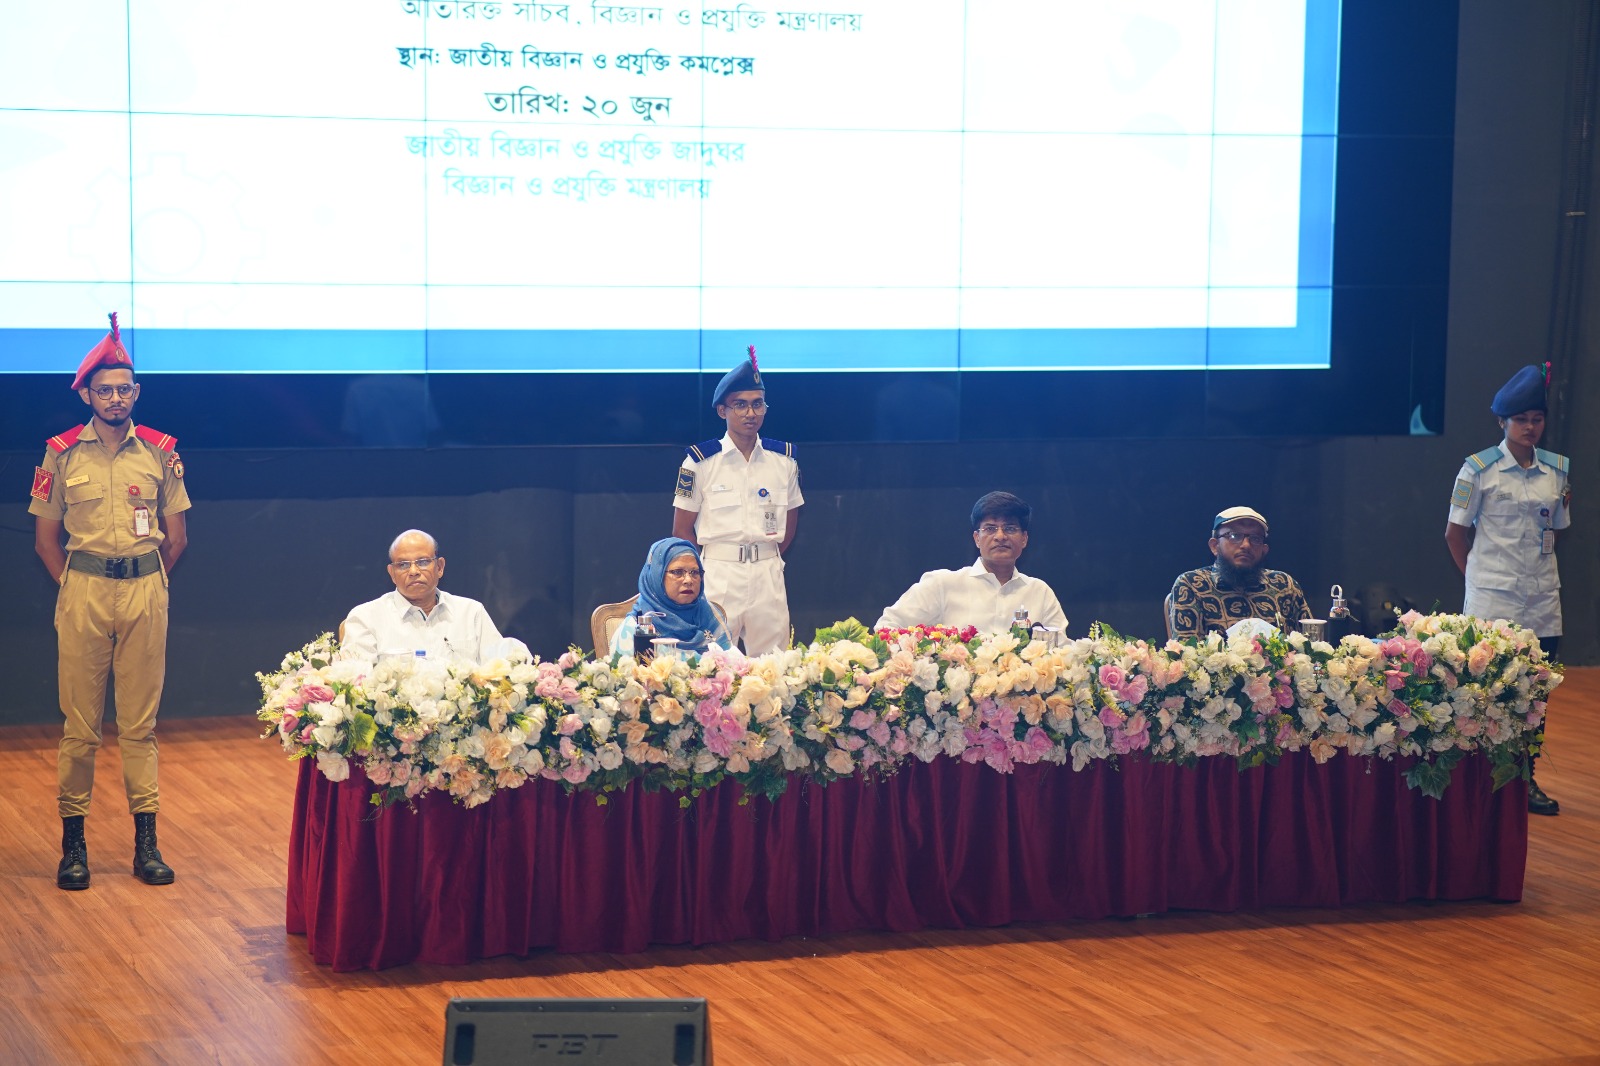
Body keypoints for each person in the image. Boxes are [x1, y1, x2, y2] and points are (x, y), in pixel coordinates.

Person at [29, 314, 191, 890]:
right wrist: (77, 585)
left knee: (140, 726)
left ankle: (146, 845)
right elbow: (46, 541)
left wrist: (145, 579)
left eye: (124, 389)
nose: (115, 398)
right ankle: (74, 847)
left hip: (146, 589)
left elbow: (177, 538)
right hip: (85, 590)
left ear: (136, 393)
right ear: (87, 396)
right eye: (105, 390)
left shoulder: (161, 452)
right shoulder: (61, 454)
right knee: (80, 727)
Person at [1445, 363, 1570, 816]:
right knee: (1484, 694)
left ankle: (1524, 779)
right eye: (1521, 420)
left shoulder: (1557, 471)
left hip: (1542, 601)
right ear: (1502, 421)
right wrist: (1476, 579)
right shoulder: (1478, 470)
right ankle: (1478, 780)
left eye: (1537, 419)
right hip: (1492, 602)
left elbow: (1557, 530)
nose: (1530, 427)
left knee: (1536, 696)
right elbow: (1455, 534)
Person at [671, 346, 803, 654]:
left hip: (767, 573)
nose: (750, 413)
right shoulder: (699, 462)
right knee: (712, 664)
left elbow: (790, 524)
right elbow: (681, 530)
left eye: (758, 404)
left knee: (774, 664)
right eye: (740, 405)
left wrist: (765, 557)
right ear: (723, 411)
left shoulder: (784, 461)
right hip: (719, 573)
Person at [875, 491, 1068, 635]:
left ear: (1024, 539)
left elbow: (1062, 653)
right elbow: (887, 628)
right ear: (976, 538)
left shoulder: (1039, 592)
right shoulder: (942, 585)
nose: (1000, 536)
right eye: (990, 529)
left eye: (1010, 528)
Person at [340, 529, 529, 662]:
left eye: (423, 562)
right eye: (403, 565)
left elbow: (500, 669)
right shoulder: (366, 617)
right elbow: (359, 687)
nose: (413, 571)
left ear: (440, 567)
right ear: (392, 573)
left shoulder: (471, 612)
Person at [1168, 506, 1309, 640]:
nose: (1246, 545)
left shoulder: (1284, 585)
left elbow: (1312, 645)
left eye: (1255, 538)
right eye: (1234, 536)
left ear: (1264, 550)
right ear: (1214, 546)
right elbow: (1186, 652)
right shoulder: (1192, 585)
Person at [609, 538, 734, 657]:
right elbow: (623, 672)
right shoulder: (636, 627)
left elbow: (731, 666)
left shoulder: (710, 616)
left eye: (695, 572)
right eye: (678, 572)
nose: (688, 580)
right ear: (657, 575)